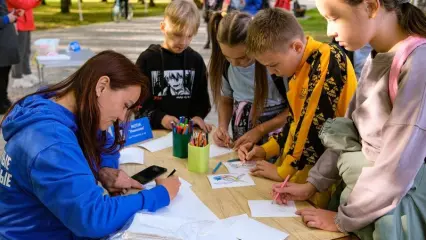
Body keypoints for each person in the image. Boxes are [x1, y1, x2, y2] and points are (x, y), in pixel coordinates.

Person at [272, 0, 426, 238]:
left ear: (371, 7)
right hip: (363, 206)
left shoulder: (418, 65)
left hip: (391, 217)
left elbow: (397, 168)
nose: (329, 32)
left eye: (334, 18)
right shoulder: (376, 58)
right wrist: (312, 185)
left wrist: (344, 220)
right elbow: (347, 131)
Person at [0, 51, 181, 239]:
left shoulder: (58, 104)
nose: (121, 117)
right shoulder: (52, 143)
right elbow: (94, 219)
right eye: (125, 105)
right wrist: (160, 195)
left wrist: (103, 170)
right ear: (102, 86)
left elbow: (104, 142)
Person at [238, 8, 357, 208]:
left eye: (273, 65)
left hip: (329, 175)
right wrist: (266, 150)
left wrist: (283, 171)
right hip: (309, 173)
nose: (272, 72)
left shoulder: (328, 59)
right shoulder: (299, 67)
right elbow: (295, 122)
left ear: (296, 46)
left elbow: (313, 126)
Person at [209, 11, 288, 149]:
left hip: (276, 141)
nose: (234, 63)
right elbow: (226, 99)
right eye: (227, 56)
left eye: (242, 57)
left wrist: (260, 130)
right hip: (242, 138)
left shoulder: (274, 66)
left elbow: (294, 110)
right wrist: (222, 126)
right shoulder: (226, 66)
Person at [136, 0, 212, 132]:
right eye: (177, 35)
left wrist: (197, 116)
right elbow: (138, 102)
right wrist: (160, 118)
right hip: (154, 132)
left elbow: (202, 99)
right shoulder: (147, 60)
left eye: (189, 36)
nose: (183, 42)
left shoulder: (196, 61)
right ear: (163, 27)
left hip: (187, 132)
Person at [7, 0, 41, 88]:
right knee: (19, 51)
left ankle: (26, 72)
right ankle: (17, 78)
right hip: (17, 22)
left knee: (26, 50)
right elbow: (22, 3)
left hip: (27, 22)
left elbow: (31, 4)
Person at [0, 0, 20, 114]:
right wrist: (7, 18)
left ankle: (4, 100)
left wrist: (13, 15)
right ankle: (1, 104)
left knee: (4, 74)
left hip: (5, 45)